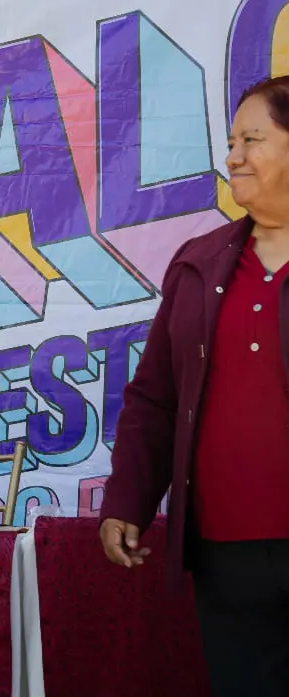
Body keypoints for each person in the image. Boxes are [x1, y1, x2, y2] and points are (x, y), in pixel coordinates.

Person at [100, 75, 289, 696]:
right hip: (225, 553)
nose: (233, 157)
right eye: (231, 142)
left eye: (251, 140)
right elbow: (155, 398)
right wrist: (127, 500)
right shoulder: (200, 263)